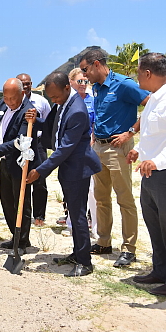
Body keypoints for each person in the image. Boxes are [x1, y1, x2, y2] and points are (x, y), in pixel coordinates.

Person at [27, 72, 102, 277]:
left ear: (66, 89)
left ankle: (85, 263)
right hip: (69, 168)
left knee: (77, 216)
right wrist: (38, 121)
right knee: (73, 213)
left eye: (55, 96)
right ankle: (78, 253)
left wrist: (40, 171)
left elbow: (65, 148)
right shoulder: (64, 104)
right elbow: (56, 129)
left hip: (77, 168)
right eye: (50, 97)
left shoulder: (77, 110)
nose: (53, 100)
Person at [80, 49, 149, 267]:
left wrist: (131, 131)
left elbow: (151, 105)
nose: (84, 75)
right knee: (101, 198)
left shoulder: (124, 84)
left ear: (97, 64)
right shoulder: (97, 88)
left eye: (85, 69)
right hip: (99, 147)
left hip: (118, 149)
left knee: (125, 199)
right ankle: (103, 241)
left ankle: (129, 249)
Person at [0, 78, 41, 255]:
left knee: (21, 202)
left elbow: (20, 141)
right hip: (5, 162)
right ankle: (15, 234)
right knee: (6, 200)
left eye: (13, 98)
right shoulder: (3, 105)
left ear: (22, 94)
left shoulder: (28, 112)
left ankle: (22, 240)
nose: (9, 101)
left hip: (20, 163)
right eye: (6, 97)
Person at [126, 52, 166, 296]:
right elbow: (153, 133)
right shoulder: (153, 100)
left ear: (148, 73)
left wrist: (157, 160)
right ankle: (160, 270)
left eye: (139, 73)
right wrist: (139, 150)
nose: (137, 77)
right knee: (154, 225)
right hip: (149, 173)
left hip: (163, 172)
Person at [67, 68, 98, 239]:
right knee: (73, 188)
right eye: (80, 81)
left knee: (93, 190)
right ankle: (71, 223)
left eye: (86, 81)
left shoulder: (92, 101)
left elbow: (96, 122)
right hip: (72, 150)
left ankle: (95, 227)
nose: (83, 85)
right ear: (71, 82)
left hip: (90, 148)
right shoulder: (68, 102)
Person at [16, 73, 50, 227]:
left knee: (39, 180)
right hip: (20, 145)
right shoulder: (13, 102)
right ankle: (23, 213)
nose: (25, 86)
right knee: (20, 179)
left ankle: (39, 215)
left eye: (27, 83)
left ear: (31, 84)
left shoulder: (41, 101)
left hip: (38, 144)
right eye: (22, 83)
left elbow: (48, 122)